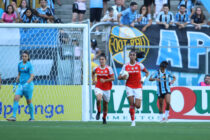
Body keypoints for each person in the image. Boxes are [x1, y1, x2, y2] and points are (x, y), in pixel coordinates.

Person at [118, 50, 149, 126]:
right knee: (131, 104)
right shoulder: (125, 66)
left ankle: (133, 109)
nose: (132, 56)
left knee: (138, 106)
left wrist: (143, 79)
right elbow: (119, 77)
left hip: (138, 87)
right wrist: (123, 77)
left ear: (136, 56)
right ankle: (133, 121)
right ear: (129, 56)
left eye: (133, 55)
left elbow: (147, 72)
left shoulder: (139, 65)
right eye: (131, 55)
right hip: (129, 86)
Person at [7, 51, 35, 121]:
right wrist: (15, 84)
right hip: (20, 85)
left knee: (29, 102)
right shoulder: (19, 64)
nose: (24, 57)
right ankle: (13, 116)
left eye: (25, 56)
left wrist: (26, 83)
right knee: (16, 98)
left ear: (28, 57)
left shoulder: (29, 65)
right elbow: (19, 74)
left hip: (28, 86)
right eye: (23, 56)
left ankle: (32, 117)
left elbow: (32, 76)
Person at [92, 53, 115, 124]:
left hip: (107, 88)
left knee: (105, 105)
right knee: (98, 99)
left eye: (103, 59)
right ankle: (98, 111)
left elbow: (113, 78)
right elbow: (93, 73)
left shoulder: (109, 68)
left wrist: (105, 80)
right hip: (99, 87)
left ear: (105, 60)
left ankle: (104, 117)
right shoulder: (96, 68)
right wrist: (94, 80)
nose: (101, 61)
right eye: (100, 59)